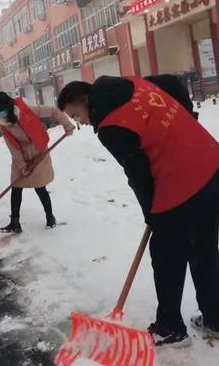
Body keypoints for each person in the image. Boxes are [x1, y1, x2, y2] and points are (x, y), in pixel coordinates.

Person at [57, 75, 219, 346]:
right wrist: (185, 120)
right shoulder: (132, 84)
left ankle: (170, 328)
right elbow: (172, 83)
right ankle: (215, 318)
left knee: (166, 255)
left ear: (87, 101)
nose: (80, 123)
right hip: (210, 163)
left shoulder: (111, 126)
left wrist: (154, 214)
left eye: (76, 115)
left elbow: (140, 175)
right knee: (203, 249)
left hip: (180, 182)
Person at [0, 92, 75, 233]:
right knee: (16, 186)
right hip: (21, 153)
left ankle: (50, 217)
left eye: (3, 109)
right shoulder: (3, 123)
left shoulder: (26, 109)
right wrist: (22, 165)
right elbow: (12, 146)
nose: (2, 113)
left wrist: (67, 125)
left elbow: (53, 111)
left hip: (39, 150)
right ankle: (15, 222)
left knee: (40, 186)